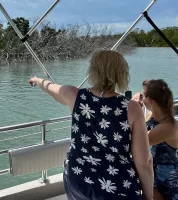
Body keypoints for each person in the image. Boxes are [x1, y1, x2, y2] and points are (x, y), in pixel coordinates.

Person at [28, 49, 153, 200]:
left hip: (78, 177)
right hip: (116, 186)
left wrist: (36, 80)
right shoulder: (131, 108)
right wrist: (148, 195)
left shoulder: (74, 95)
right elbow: (144, 162)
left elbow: (49, 87)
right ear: (121, 73)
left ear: (93, 71)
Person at [133, 79, 178, 200]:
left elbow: (137, 140)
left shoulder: (168, 127)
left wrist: (134, 109)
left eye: (143, 96)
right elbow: (142, 129)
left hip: (167, 180)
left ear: (149, 100)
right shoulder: (155, 116)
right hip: (155, 173)